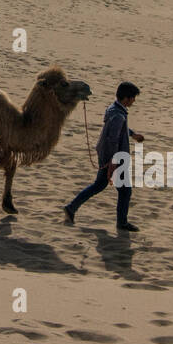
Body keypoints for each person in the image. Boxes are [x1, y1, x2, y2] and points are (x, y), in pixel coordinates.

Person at [63, 81, 144, 231]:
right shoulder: (119, 115)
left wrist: (133, 134)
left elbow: (119, 130)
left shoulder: (114, 109)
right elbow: (112, 139)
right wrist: (113, 162)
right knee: (125, 190)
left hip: (107, 154)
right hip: (114, 157)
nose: (134, 101)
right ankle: (122, 223)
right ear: (126, 98)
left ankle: (71, 208)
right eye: (133, 98)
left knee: (99, 185)